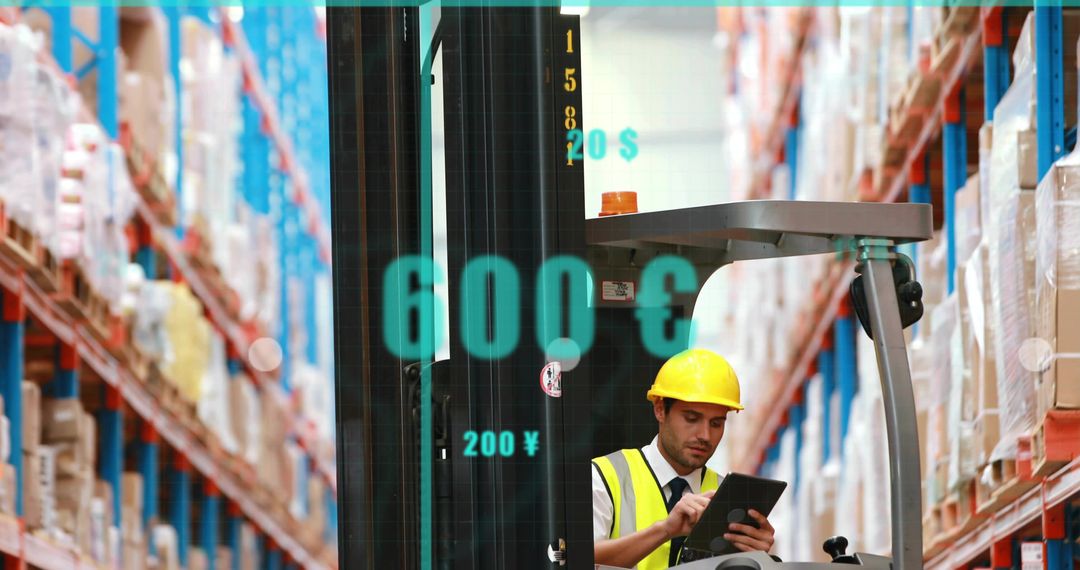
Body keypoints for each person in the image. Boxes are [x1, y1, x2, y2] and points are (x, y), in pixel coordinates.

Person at [592, 348, 776, 569]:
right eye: (691, 418)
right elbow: (578, 559)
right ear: (660, 410)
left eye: (716, 423)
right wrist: (666, 529)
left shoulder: (725, 495)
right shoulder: (605, 476)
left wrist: (757, 559)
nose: (705, 436)